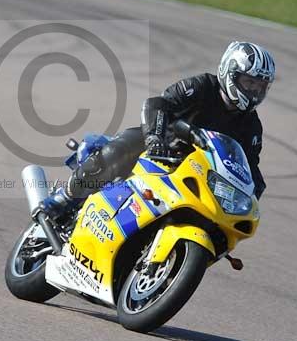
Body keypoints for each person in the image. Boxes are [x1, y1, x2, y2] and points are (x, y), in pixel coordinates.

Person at [40, 41, 276, 219]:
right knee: (118, 150)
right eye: (249, 82)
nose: (254, 91)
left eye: (260, 86)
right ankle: (66, 198)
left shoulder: (252, 126)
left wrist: (250, 196)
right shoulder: (203, 86)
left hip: (197, 173)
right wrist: (155, 136)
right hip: (161, 147)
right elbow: (158, 103)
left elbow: (249, 166)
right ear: (230, 73)